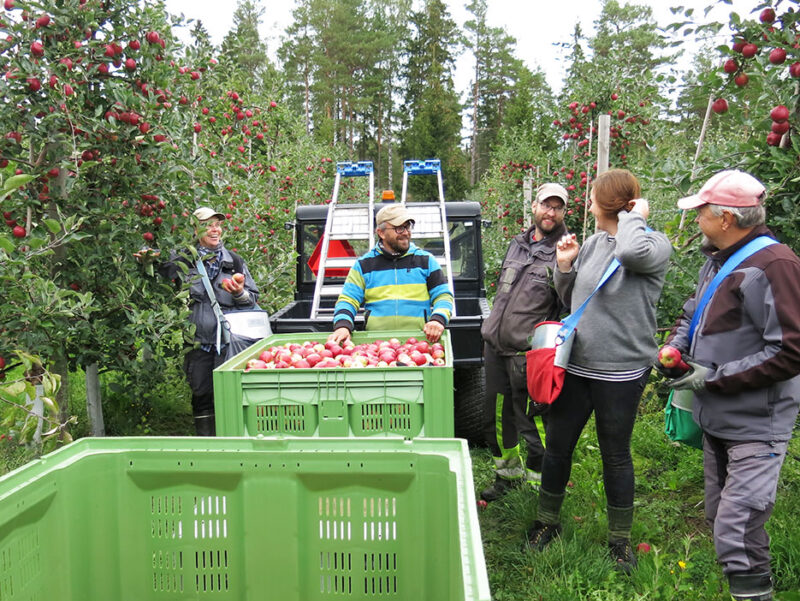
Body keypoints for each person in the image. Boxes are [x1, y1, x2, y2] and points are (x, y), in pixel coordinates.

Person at [525, 169, 671, 573]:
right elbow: (571, 297)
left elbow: (629, 254)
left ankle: (619, 541)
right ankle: (546, 522)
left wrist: (634, 217)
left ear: (609, 205)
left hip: (621, 372)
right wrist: (566, 265)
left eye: (592, 198)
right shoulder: (591, 244)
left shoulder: (653, 244)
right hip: (577, 366)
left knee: (616, 455)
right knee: (558, 447)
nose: (587, 205)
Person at [664, 170, 800, 601]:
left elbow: (791, 350)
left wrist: (715, 378)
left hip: (757, 424)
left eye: (701, 211)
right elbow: (692, 314)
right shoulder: (719, 259)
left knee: (737, 531)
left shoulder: (775, 266)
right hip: (717, 418)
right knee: (720, 517)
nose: (696, 219)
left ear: (726, 218)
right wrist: (675, 348)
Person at [478, 183, 569, 502]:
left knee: (532, 419)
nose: (551, 212)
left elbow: (568, 303)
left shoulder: (566, 250)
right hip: (496, 347)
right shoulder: (517, 244)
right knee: (498, 417)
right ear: (534, 207)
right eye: (547, 205)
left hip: (528, 353)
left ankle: (540, 485)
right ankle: (507, 475)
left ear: (563, 213)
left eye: (557, 207)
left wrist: (567, 266)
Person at [140, 207, 259, 436]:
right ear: (195, 229)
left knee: (230, 394)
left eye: (217, 224)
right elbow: (157, 278)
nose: (215, 230)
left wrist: (239, 293)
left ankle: (233, 440)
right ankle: (208, 442)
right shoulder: (184, 260)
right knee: (201, 393)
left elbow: (252, 299)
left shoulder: (233, 262)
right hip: (197, 342)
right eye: (208, 225)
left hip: (229, 343)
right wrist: (146, 261)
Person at [328, 204, 454, 344]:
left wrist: (438, 319)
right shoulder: (364, 265)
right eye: (399, 228)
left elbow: (443, 295)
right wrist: (342, 326)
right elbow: (348, 299)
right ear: (381, 233)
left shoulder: (425, 261)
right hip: (376, 347)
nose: (406, 232)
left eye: (407, 227)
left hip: (419, 343)